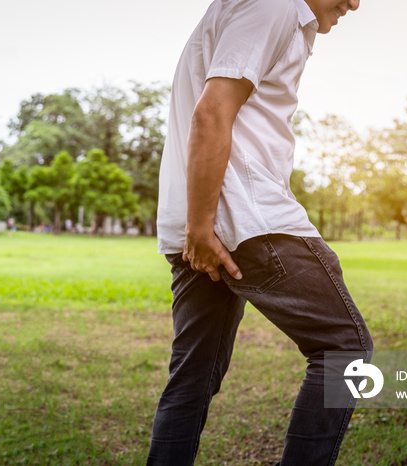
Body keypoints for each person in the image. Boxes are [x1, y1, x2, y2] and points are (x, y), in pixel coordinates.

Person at [149, 0, 373, 465]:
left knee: (191, 379)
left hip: (203, 228)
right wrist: (202, 227)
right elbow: (211, 113)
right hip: (245, 223)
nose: (354, 3)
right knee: (344, 351)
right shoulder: (274, 6)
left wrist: (197, 229)